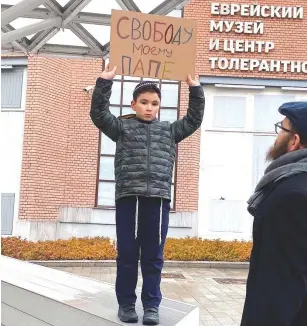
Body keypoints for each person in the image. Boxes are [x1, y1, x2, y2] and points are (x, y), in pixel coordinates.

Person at [90, 65, 205, 325]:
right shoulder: (121, 128)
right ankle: (127, 304)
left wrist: (195, 89)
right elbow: (98, 114)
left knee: (153, 256)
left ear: (159, 106)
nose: (149, 107)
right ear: (133, 104)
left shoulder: (170, 131)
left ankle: (151, 306)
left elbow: (194, 120)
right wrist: (104, 82)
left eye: (154, 103)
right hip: (128, 198)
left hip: (158, 200)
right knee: (128, 254)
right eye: (143, 102)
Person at [241, 102, 307, 326]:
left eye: (282, 128)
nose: (277, 136)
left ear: (294, 140)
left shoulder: (292, 195)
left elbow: (281, 286)